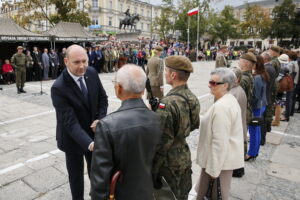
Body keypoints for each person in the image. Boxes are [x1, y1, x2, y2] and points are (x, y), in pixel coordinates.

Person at [90, 64, 161, 200]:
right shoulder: (155, 118)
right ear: (143, 90)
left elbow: (100, 179)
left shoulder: (106, 125)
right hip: (146, 191)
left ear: (119, 88)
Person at [51, 44, 108, 200]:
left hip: (93, 133)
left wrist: (100, 119)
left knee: (96, 174)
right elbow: (69, 122)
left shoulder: (92, 73)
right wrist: (89, 144)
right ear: (66, 61)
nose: (82, 66)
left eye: (85, 61)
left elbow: (103, 99)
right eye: (77, 62)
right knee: (76, 178)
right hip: (72, 139)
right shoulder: (59, 87)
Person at [152, 56, 200, 200]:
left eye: (166, 70)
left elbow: (161, 141)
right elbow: (194, 124)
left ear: (173, 75)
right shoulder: (192, 98)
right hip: (184, 156)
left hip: (168, 163)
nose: (164, 73)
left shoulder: (167, 103)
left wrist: (152, 170)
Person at [196, 68, 244, 200]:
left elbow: (219, 142)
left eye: (213, 83)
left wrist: (213, 171)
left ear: (226, 85)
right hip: (220, 162)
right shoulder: (228, 100)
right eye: (209, 81)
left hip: (218, 164)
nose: (209, 85)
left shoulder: (222, 107)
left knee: (214, 195)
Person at [245, 55, 269, 161]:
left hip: (257, 107)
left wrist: (249, 105)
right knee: (256, 129)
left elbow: (256, 96)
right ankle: (254, 151)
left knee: (254, 130)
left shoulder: (258, 77)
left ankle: (252, 153)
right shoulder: (262, 74)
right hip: (261, 105)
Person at [229, 66, 247, 178]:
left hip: (235, 126)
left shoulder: (234, 92)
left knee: (234, 147)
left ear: (236, 79)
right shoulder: (236, 89)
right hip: (239, 124)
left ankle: (237, 170)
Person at [261, 51, 276, 145]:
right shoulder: (270, 67)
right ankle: (262, 138)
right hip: (267, 95)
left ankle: (262, 140)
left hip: (264, 97)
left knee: (261, 120)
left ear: (265, 59)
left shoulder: (266, 68)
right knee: (264, 119)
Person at [239, 52, 256, 126]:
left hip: (242, 111)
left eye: (240, 61)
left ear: (245, 63)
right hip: (246, 109)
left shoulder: (244, 78)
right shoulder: (249, 75)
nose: (238, 62)